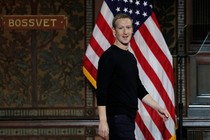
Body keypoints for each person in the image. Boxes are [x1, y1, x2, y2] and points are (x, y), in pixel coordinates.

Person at [96, 13, 170, 140]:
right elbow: (101, 90)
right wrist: (103, 120)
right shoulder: (108, 56)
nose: (125, 32)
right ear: (114, 31)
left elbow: (139, 89)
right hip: (117, 117)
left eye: (128, 27)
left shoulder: (130, 57)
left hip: (129, 117)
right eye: (121, 28)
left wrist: (158, 107)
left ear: (132, 30)